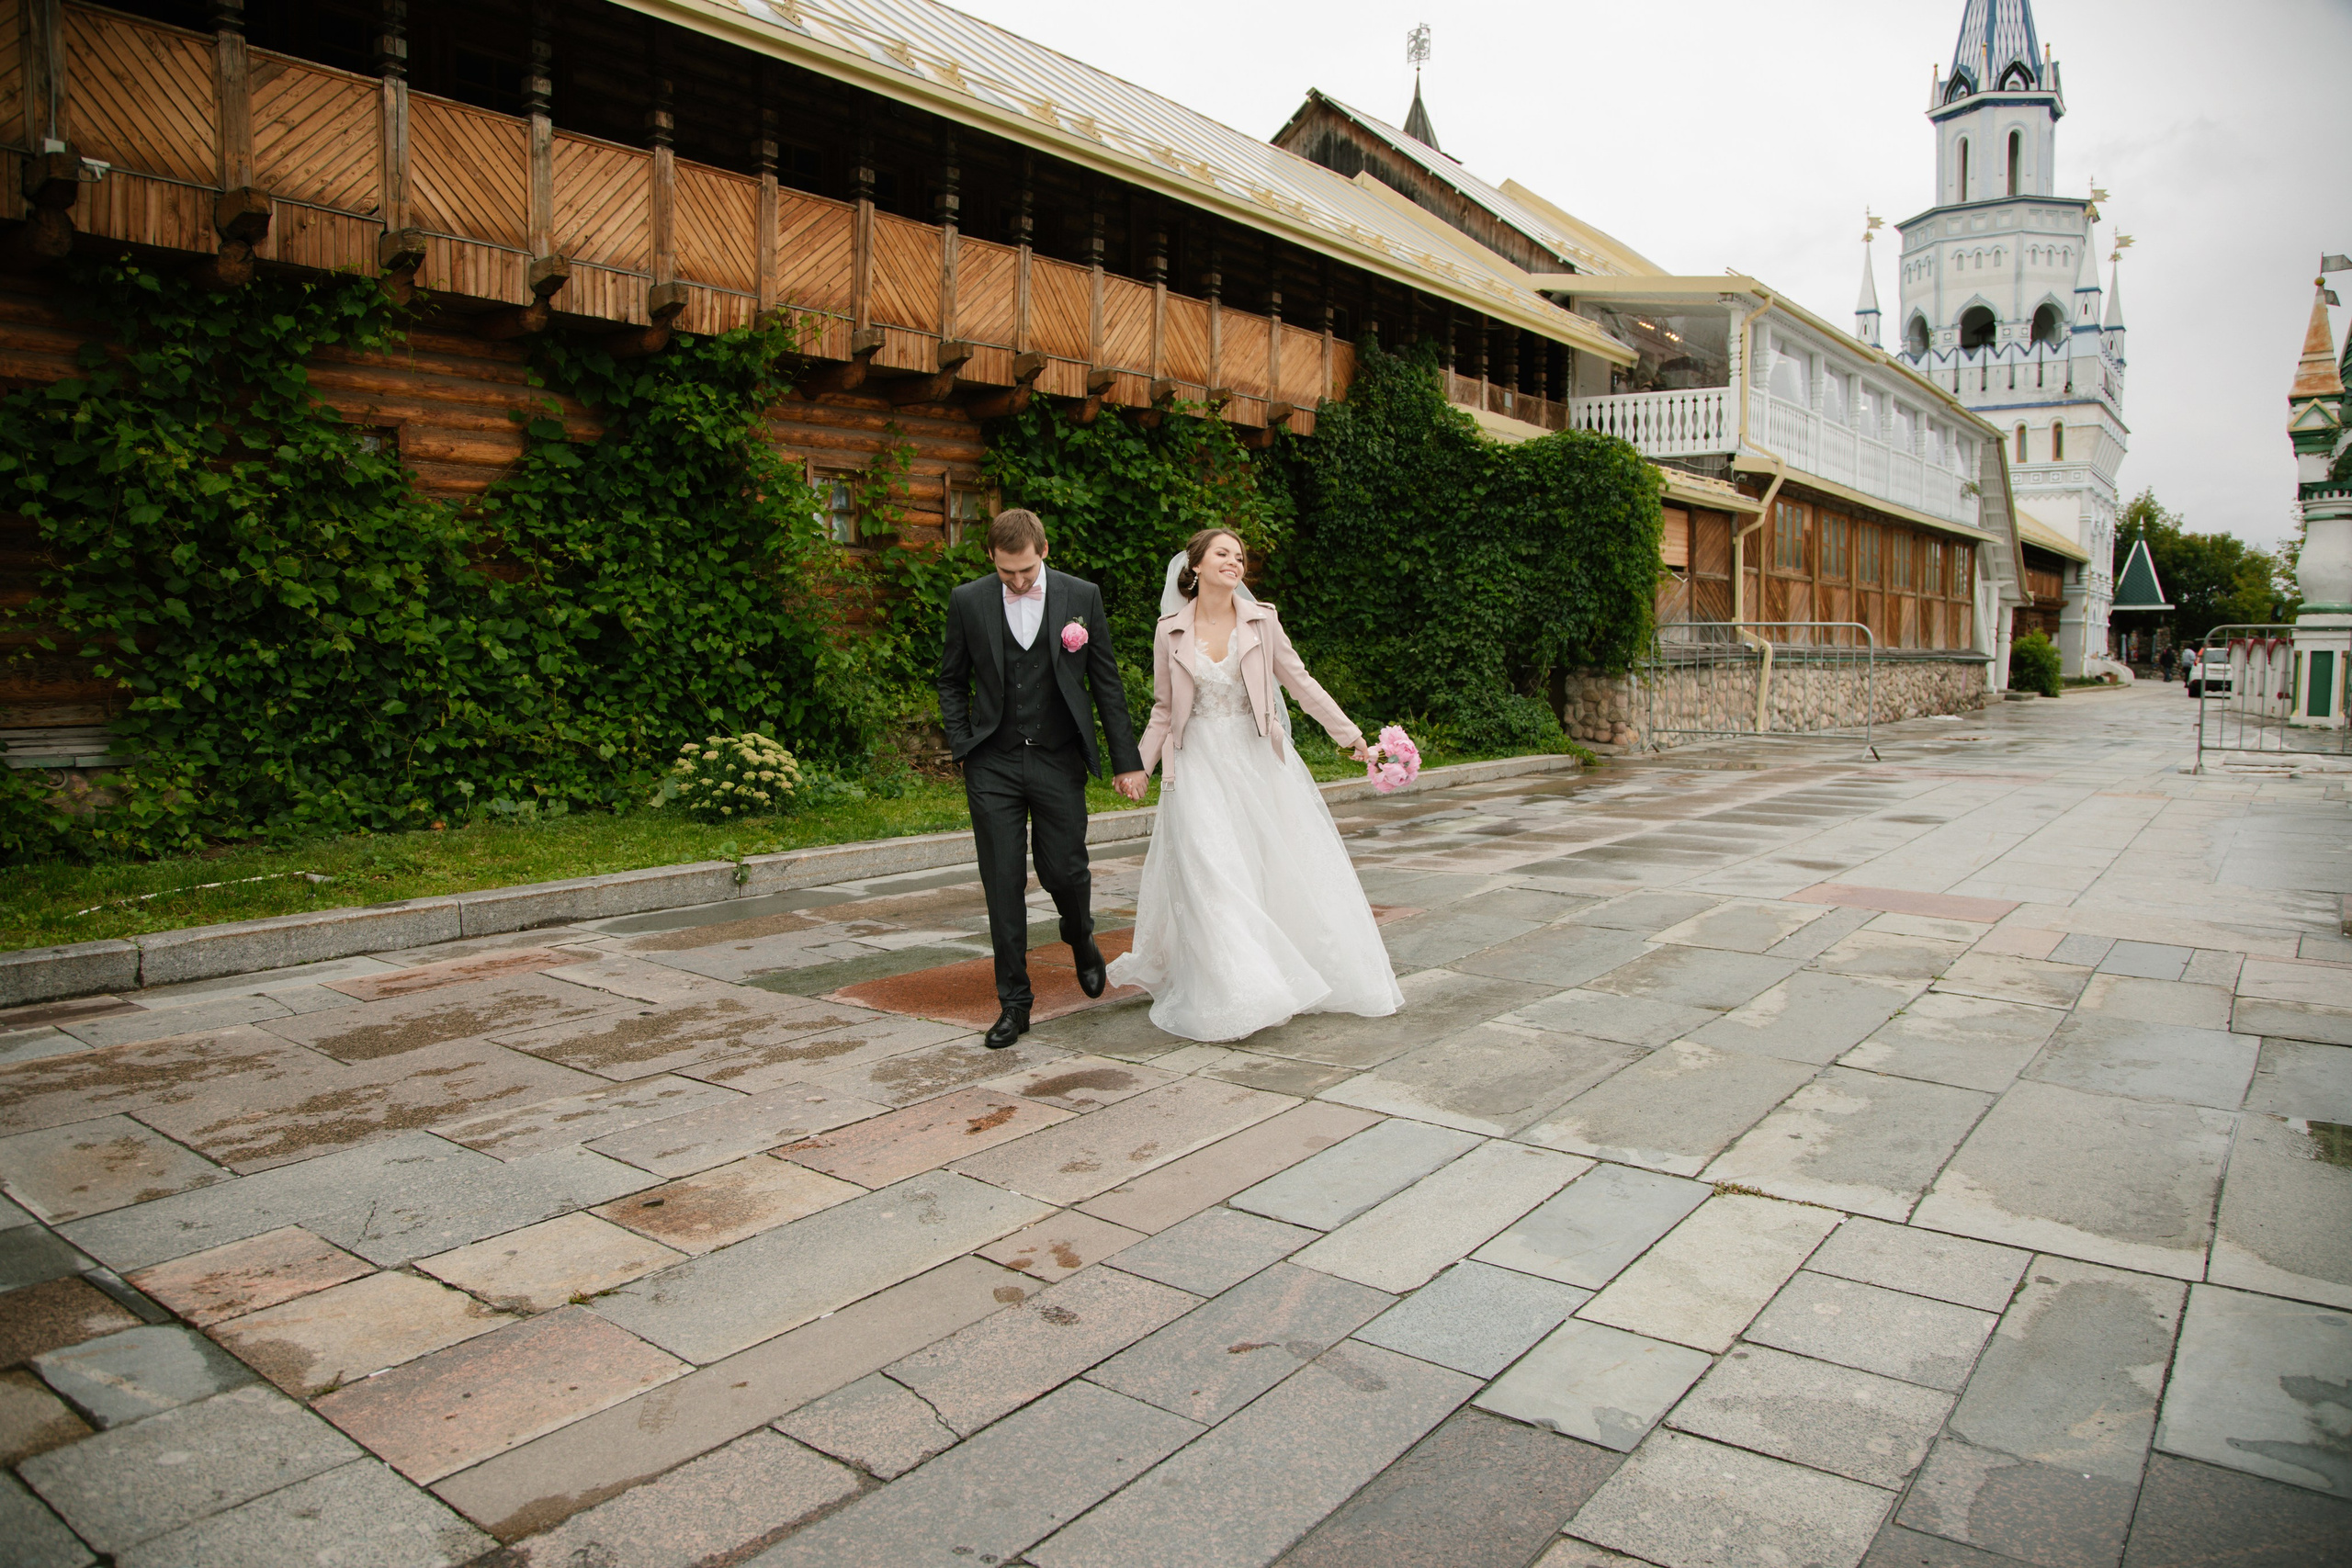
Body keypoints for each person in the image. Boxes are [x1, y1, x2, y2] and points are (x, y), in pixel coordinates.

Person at [1106, 528, 1406, 1041]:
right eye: (1222, 553)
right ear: (1195, 564)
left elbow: (1300, 681)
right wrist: (1140, 765)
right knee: (1211, 868)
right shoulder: (1169, 630)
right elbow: (1163, 709)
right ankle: (1239, 990)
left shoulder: (1262, 621)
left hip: (1255, 760)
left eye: (1239, 556)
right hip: (1196, 762)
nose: (1234, 561)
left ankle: (1271, 976)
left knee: (1260, 870)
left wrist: (1351, 736)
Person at [936, 509, 1148, 1049]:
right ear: (992, 558)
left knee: (1066, 871)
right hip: (993, 763)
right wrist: (964, 745)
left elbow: (1107, 683)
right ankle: (1015, 1003)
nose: (1018, 581)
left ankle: (1080, 936)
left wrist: (1128, 761)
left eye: (1026, 570)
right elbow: (950, 680)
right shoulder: (969, 600)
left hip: (1057, 758)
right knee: (1002, 882)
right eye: (1008, 572)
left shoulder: (1083, 596)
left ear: (1044, 551)